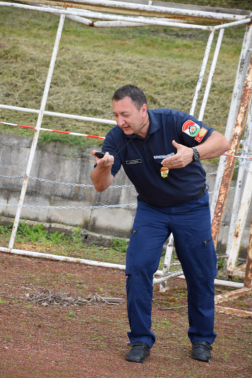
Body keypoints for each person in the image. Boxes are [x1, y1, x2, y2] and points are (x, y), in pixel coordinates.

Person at [90, 84, 230, 364]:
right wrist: (103, 167)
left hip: (192, 207)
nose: (120, 121)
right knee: (138, 268)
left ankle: (202, 339)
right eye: (116, 115)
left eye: (126, 114)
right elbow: (101, 186)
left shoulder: (175, 122)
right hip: (151, 210)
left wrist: (193, 153)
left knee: (199, 274)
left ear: (143, 110)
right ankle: (140, 340)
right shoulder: (116, 138)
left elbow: (222, 142)